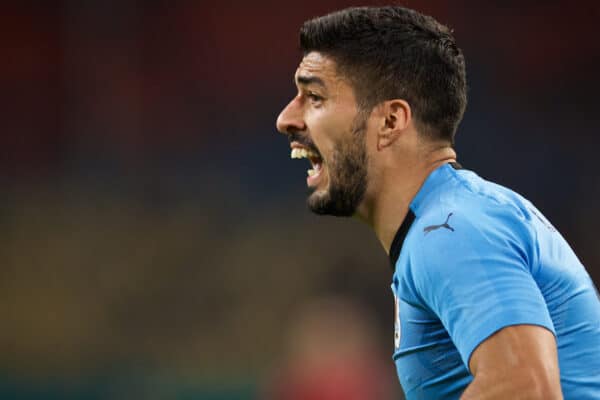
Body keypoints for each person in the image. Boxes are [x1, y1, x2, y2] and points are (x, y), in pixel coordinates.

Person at [274, 6, 600, 400]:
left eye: (314, 96)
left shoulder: (449, 230)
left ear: (391, 122)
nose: (286, 118)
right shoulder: (452, 219)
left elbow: (524, 389)